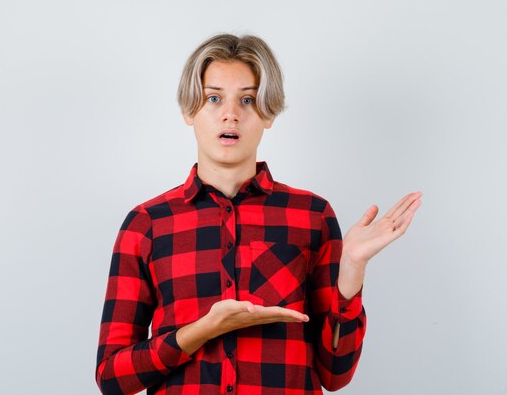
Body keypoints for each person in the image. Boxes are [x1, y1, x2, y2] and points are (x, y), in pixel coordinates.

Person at [95, 33, 422, 395]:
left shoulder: (312, 216)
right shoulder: (147, 224)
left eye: (247, 99)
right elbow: (112, 378)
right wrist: (202, 330)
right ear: (190, 111)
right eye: (213, 98)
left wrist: (352, 270)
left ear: (268, 113)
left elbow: (335, 376)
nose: (231, 114)